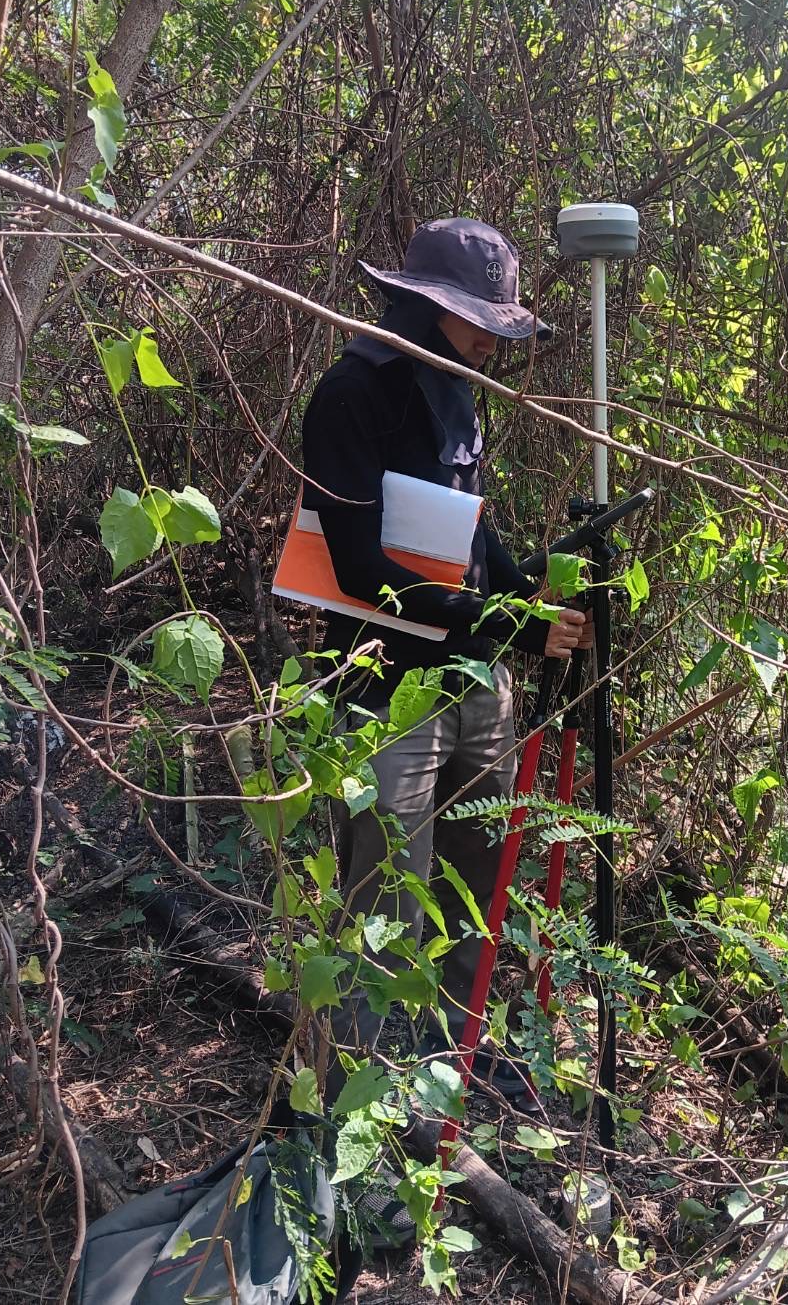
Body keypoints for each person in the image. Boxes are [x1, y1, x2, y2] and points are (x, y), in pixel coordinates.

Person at [301, 217, 588, 1100]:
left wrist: (527, 591)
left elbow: (468, 530)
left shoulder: (453, 390)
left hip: (475, 684)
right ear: (426, 307)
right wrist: (509, 628)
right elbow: (358, 568)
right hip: (388, 692)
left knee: (474, 887)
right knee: (386, 903)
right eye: (477, 322)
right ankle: (353, 1107)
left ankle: (439, 1069)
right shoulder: (354, 395)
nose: (487, 343)